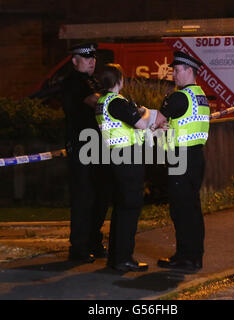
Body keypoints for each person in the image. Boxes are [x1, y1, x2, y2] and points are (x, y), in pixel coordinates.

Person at [155, 51, 210, 272]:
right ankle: (194, 256)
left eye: (177, 71)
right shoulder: (201, 95)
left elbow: (156, 121)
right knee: (193, 208)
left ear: (189, 70)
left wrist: (157, 124)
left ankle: (185, 257)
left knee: (181, 209)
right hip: (196, 157)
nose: (173, 75)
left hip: (181, 158)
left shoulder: (179, 97)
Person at [95, 64, 153, 272]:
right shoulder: (117, 102)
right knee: (130, 208)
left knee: (121, 208)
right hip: (127, 158)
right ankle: (123, 259)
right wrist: (145, 113)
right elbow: (141, 124)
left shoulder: (102, 102)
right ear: (120, 81)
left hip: (114, 156)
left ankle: (116, 258)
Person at [61, 42, 109, 263]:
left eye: (93, 57)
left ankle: (94, 241)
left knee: (100, 195)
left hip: (97, 147)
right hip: (81, 149)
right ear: (74, 61)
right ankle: (79, 248)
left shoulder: (93, 81)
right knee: (84, 197)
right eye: (86, 57)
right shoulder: (73, 82)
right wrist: (119, 104)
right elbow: (95, 101)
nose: (92, 60)